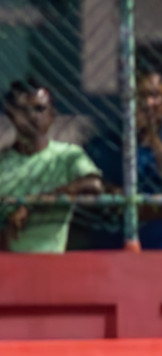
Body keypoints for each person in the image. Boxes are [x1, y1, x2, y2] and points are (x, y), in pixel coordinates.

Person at [88, 71, 162, 249]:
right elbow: (110, 203)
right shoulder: (106, 148)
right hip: (114, 251)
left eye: (154, 95)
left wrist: (153, 139)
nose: (147, 104)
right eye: (140, 96)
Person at [0, 79, 103, 253]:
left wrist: (31, 206)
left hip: (51, 266)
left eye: (40, 109)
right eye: (24, 110)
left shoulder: (67, 156)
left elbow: (93, 184)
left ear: (51, 114)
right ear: (12, 115)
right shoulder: (3, 162)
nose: (33, 116)